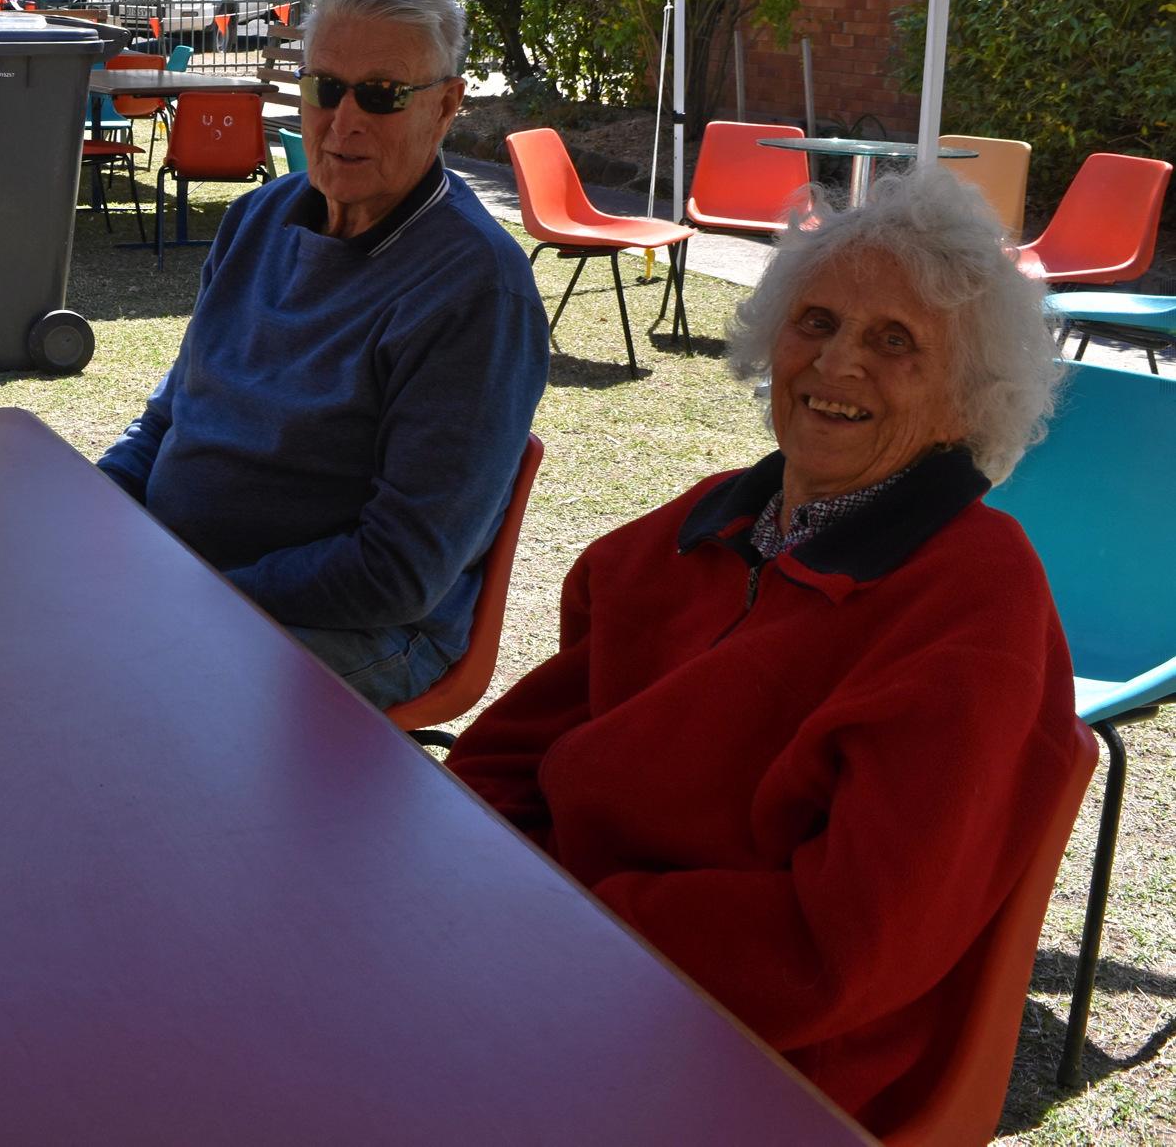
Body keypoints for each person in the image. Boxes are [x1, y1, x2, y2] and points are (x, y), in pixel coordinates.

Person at [446, 168, 1083, 1134]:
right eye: (817, 322)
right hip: (566, 966)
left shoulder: (973, 601)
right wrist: (480, 906)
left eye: (895, 340)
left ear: (965, 399)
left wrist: (573, 918)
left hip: (767, 1060)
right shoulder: (705, 526)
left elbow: (838, 954)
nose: (835, 366)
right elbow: (502, 759)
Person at [98, 0, 548, 708]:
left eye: (381, 94)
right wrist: (90, 508)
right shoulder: (257, 221)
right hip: (193, 582)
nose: (345, 119)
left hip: (358, 627)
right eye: (325, 87)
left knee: (114, 689)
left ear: (445, 106)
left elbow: (397, 571)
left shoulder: (473, 292)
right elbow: (169, 421)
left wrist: (192, 595)